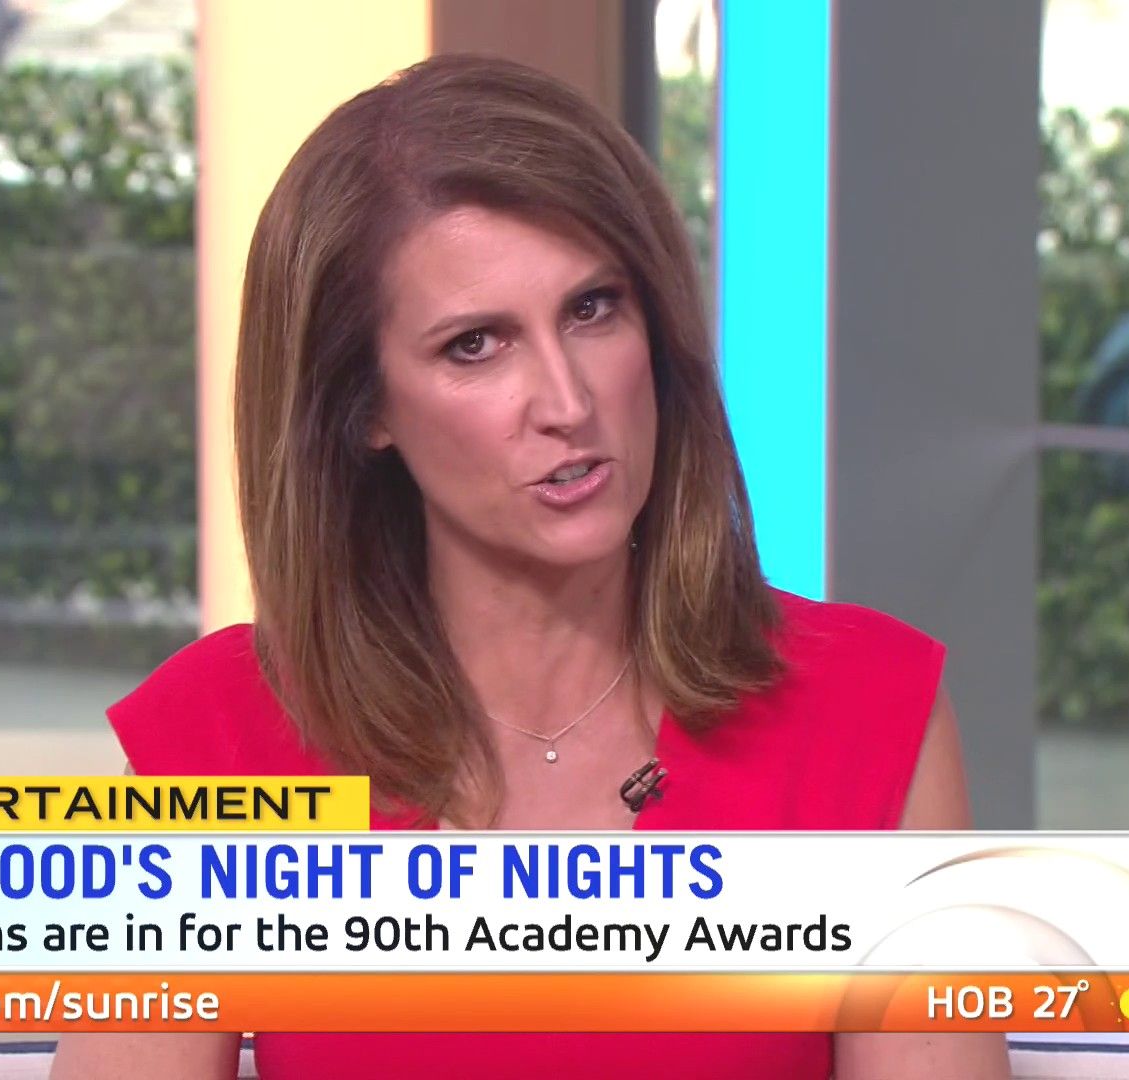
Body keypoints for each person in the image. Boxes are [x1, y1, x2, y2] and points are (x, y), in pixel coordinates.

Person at [52, 55, 1008, 1079]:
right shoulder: (221, 739)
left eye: (593, 309)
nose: (566, 402)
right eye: (476, 345)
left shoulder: (866, 709)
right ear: (364, 409)